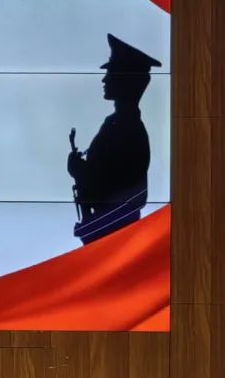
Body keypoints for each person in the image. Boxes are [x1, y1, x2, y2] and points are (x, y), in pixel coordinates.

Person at [68, 34, 161, 245]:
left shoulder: (126, 129)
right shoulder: (117, 125)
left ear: (124, 80)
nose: (104, 79)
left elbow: (120, 192)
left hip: (114, 236)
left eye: (110, 73)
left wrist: (80, 171)